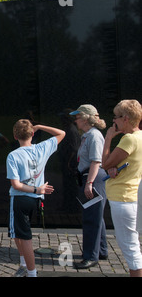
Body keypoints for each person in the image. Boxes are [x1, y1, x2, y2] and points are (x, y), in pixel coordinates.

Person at [6, 120, 65, 277]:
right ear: (32, 134)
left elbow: (16, 185)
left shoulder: (13, 155)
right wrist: (40, 127)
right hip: (37, 199)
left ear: (14, 136)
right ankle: (24, 265)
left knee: (24, 238)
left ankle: (31, 272)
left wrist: (36, 188)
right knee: (19, 234)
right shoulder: (42, 148)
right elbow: (61, 133)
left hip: (21, 199)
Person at [102, 99, 142, 277]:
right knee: (134, 243)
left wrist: (109, 137)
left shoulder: (128, 139)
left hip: (123, 198)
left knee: (129, 246)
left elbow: (104, 163)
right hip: (135, 195)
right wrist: (115, 167)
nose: (114, 122)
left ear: (125, 119)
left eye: (116, 118)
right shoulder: (140, 136)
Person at [69, 104, 108, 269]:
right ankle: (101, 250)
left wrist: (90, 183)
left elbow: (96, 161)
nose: (75, 120)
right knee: (96, 216)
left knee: (91, 218)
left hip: (92, 178)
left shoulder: (94, 136)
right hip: (88, 176)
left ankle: (90, 256)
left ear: (85, 118)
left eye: (77, 117)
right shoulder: (87, 135)